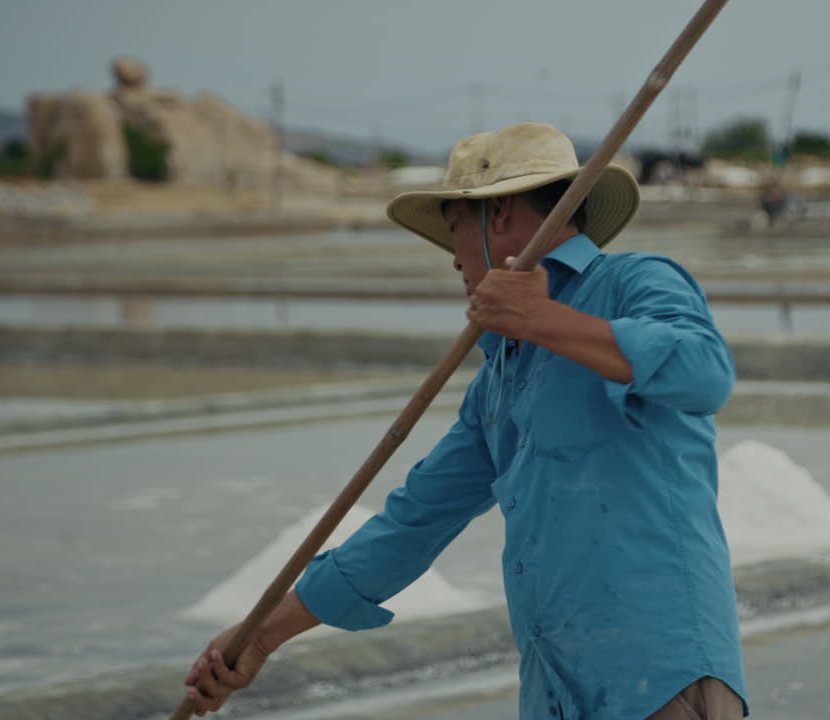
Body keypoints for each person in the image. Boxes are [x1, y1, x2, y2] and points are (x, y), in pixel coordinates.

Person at [184, 122, 748, 719]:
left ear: (497, 212)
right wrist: (261, 635)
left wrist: (541, 319)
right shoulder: (499, 381)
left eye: (454, 229)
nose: (453, 256)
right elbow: (413, 524)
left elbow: (706, 372)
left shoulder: (634, 282)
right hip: (559, 686)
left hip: (659, 676)